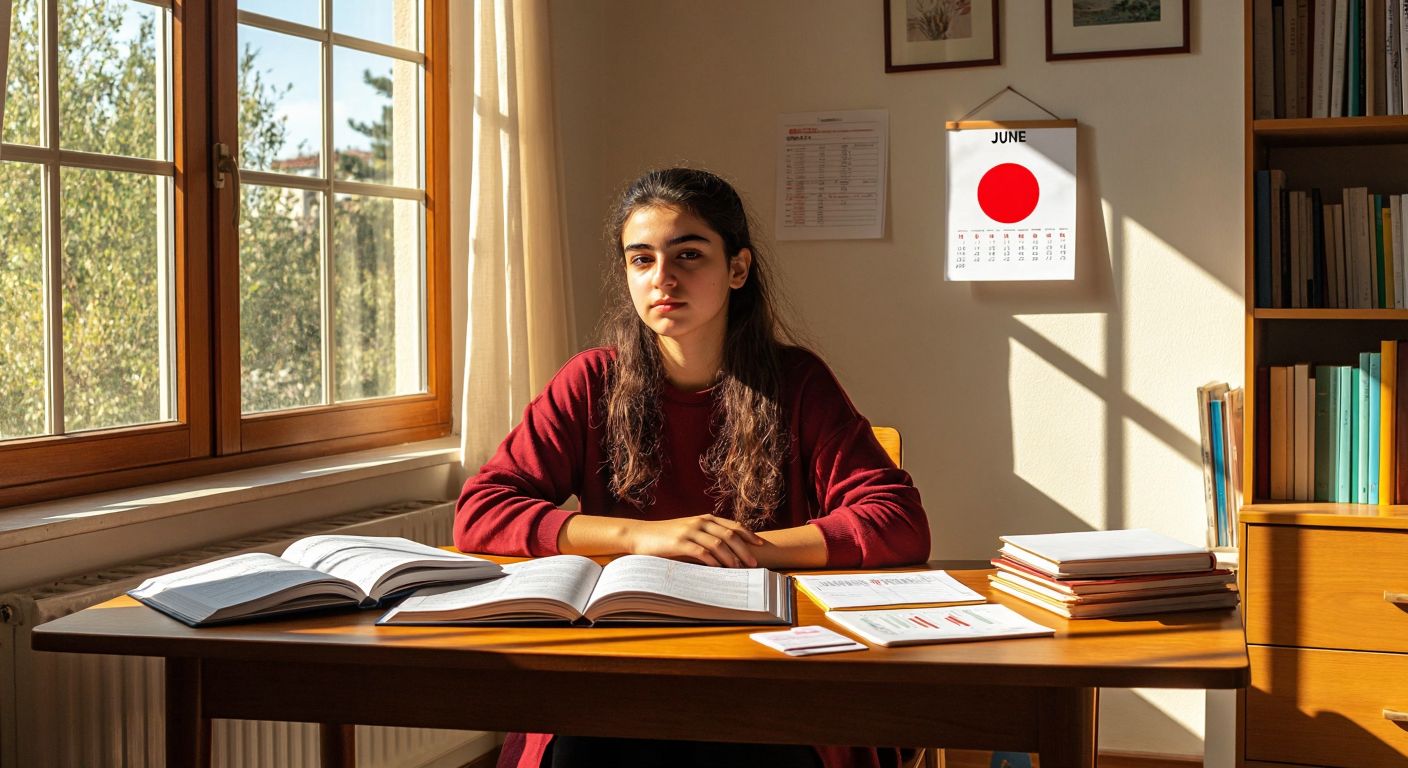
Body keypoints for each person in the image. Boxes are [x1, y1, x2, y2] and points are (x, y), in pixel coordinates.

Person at [455, 167, 930, 768]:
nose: (663, 279)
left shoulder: (797, 382)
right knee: (584, 747)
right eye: (642, 260)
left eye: (688, 255)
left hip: (767, 665)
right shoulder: (590, 380)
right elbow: (482, 510)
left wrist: (743, 549)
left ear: (737, 268)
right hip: (623, 661)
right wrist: (642, 538)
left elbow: (899, 520)